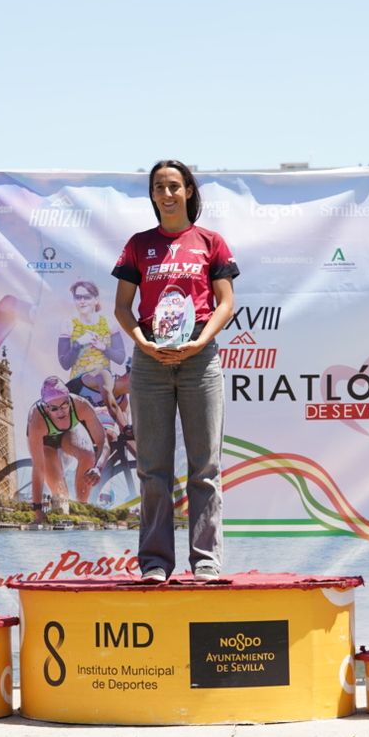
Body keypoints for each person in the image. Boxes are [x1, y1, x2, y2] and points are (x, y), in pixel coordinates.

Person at [112, 159, 238, 582]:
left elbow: (225, 302)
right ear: (151, 195)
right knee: (152, 467)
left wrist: (202, 341)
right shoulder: (138, 245)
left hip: (199, 355)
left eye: (174, 186)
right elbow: (122, 308)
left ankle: (206, 561)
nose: (166, 194)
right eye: (158, 188)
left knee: (205, 466)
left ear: (188, 191)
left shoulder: (210, 241)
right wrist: (142, 342)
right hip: (150, 360)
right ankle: (153, 563)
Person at [27, 376, 109, 520]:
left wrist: (98, 468)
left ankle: (82, 509)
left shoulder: (80, 405)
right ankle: (64, 513)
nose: (61, 412)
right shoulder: (37, 419)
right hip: (47, 443)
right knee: (61, 499)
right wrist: (37, 508)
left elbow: (103, 442)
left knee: (88, 455)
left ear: (69, 400)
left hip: (68, 433)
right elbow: (38, 468)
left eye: (64, 405)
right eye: (54, 408)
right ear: (46, 408)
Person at [59, 279, 130, 432]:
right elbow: (65, 363)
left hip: (104, 385)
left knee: (115, 434)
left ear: (96, 300)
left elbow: (120, 357)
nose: (82, 301)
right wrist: (78, 343)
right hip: (80, 386)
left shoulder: (108, 323)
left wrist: (103, 347)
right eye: (78, 297)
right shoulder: (69, 324)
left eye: (87, 297)